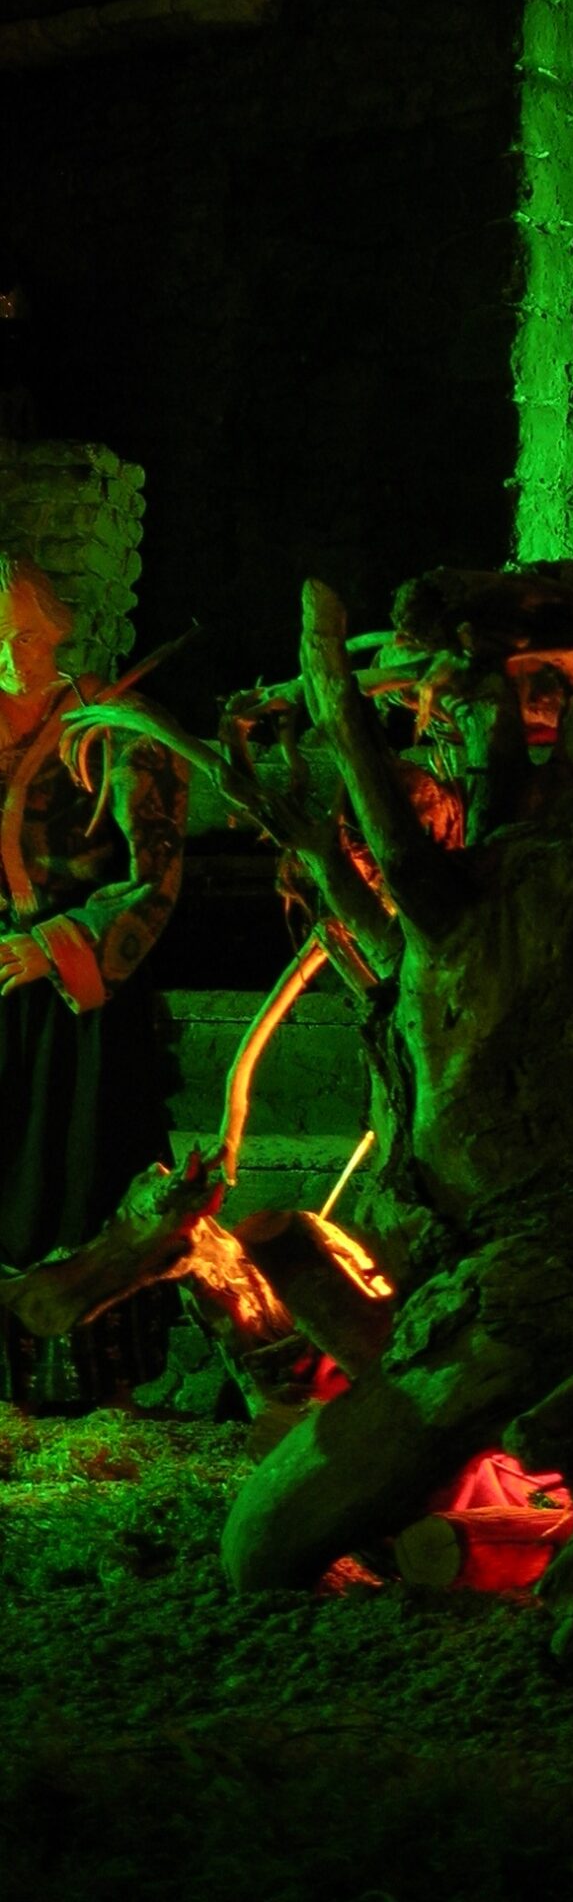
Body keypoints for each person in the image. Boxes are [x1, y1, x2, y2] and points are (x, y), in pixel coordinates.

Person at [0, 555, 186, 1407]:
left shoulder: (115, 727)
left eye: (24, 635)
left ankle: (90, 1388)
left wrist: (54, 946)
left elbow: (154, 877)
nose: (10, 655)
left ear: (56, 631)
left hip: (77, 1007)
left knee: (77, 1185)